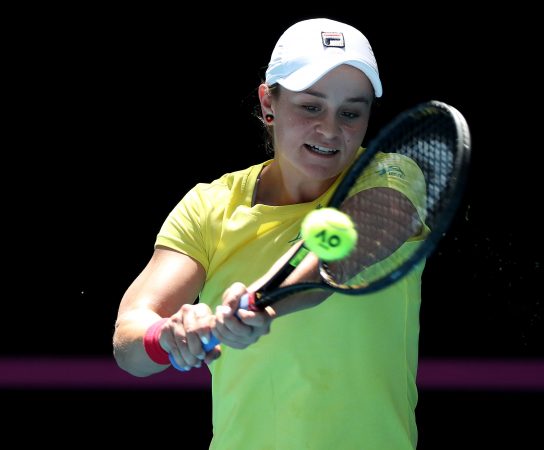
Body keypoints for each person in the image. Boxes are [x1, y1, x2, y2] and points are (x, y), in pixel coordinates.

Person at [113, 18, 425, 449]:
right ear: (268, 103)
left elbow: (330, 261)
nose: (331, 129)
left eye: (351, 112)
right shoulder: (210, 206)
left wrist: (260, 305)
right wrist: (168, 337)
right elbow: (129, 339)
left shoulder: (392, 178)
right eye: (311, 106)